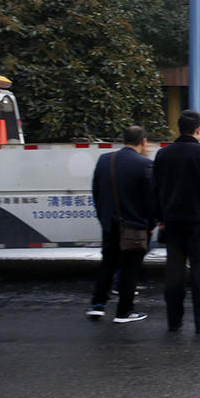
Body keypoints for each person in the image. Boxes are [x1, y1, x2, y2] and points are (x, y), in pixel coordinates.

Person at [153, 110, 200, 334]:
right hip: (199, 221)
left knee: (174, 272)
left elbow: (155, 188)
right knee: (199, 272)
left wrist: (160, 217)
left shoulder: (163, 154)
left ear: (179, 128)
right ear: (198, 130)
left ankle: (174, 321)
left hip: (173, 221)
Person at [86, 126, 153, 324]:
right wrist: (149, 224)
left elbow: (96, 192)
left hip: (109, 223)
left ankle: (97, 305)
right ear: (143, 142)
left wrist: (104, 218)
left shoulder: (105, 160)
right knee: (130, 269)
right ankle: (124, 311)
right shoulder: (145, 164)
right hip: (135, 226)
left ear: (123, 140)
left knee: (108, 264)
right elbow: (151, 199)